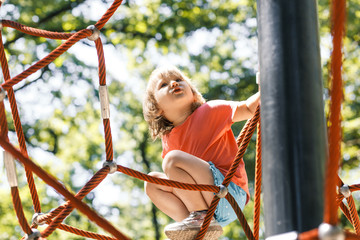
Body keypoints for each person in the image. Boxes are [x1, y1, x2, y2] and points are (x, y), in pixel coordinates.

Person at [143, 65, 260, 237]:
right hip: (207, 201)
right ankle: (195, 230)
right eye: (163, 84)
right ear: (157, 108)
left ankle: (199, 217)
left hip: (229, 194)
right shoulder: (168, 138)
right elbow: (179, 181)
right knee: (151, 182)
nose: (174, 83)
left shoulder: (210, 111)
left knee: (172, 160)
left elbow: (249, 109)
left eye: (179, 79)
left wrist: (268, 83)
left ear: (193, 93)